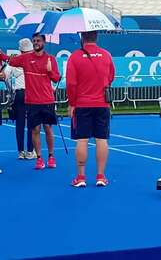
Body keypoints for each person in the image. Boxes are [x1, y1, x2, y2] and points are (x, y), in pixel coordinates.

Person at [0, 33, 61, 169]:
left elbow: (56, 78)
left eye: (38, 41)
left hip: (47, 100)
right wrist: (1, 53)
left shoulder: (51, 59)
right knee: (34, 130)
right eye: (34, 41)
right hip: (32, 101)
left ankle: (51, 156)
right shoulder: (26, 58)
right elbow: (9, 60)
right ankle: (38, 158)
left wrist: (50, 71)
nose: (36, 43)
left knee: (48, 129)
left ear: (44, 42)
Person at [66, 30, 115, 188]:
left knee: (82, 139)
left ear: (82, 38)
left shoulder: (75, 56)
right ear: (96, 37)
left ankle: (81, 177)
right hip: (102, 104)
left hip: (82, 104)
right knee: (101, 139)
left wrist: (72, 103)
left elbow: (71, 84)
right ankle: (101, 176)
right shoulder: (106, 55)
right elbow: (111, 77)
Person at [0, 39, 36, 160]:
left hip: (19, 94)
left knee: (20, 123)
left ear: (20, 50)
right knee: (31, 122)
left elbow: (4, 75)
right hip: (31, 93)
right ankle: (30, 151)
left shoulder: (15, 60)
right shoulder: (34, 59)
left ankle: (20, 152)